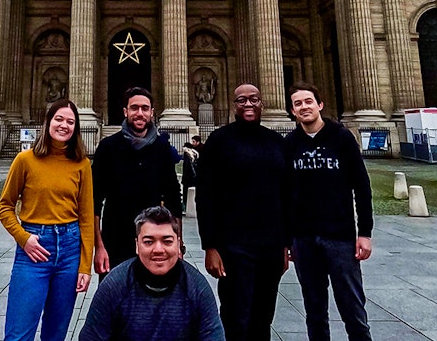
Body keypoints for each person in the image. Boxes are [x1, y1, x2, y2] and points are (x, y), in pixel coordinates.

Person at [196, 83, 291, 341]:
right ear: (233, 105)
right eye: (241, 100)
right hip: (233, 245)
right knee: (235, 314)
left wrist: (285, 244)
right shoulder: (218, 141)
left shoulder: (276, 142)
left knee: (264, 314)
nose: (248, 105)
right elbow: (205, 196)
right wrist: (210, 246)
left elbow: (285, 195)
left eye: (254, 99)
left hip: (270, 244)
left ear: (262, 103)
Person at [0, 99, 94, 341]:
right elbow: (5, 206)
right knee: (18, 334)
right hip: (34, 248)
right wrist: (23, 238)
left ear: (76, 128)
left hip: (70, 249)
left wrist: (85, 266)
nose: (64, 125)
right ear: (48, 122)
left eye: (70, 122)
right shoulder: (25, 160)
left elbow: (86, 217)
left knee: (56, 334)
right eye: (59, 119)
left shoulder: (82, 164)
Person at [285, 82, 373, 341]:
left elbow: (362, 186)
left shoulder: (342, 137)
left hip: (340, 237)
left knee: (353, 309)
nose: (304, 107)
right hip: (304, 239)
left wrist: (365, 233)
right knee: (314, 311)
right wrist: (288, 239)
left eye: (308, 101)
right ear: (292, 111)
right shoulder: (290, 143)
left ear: (320, 104)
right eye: (298, 103)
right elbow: (285, 194)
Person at [79, 206, 225, 341]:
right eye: (149, 242)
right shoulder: (114, 286)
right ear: (137, 245)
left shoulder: (198, 288)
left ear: (178, 244)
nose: (158, 249)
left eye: (167, 241)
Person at [93, 87, 183, 275]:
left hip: (153, 241)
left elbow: (173, 197)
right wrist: (99, 246)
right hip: (115, 240)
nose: (140, 113)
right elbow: (94, 200)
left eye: (145, 108)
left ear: (152, 112)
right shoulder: (108, 147)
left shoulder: (162, 149)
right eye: (134, 108)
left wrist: (178, 241)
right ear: (125, 112)